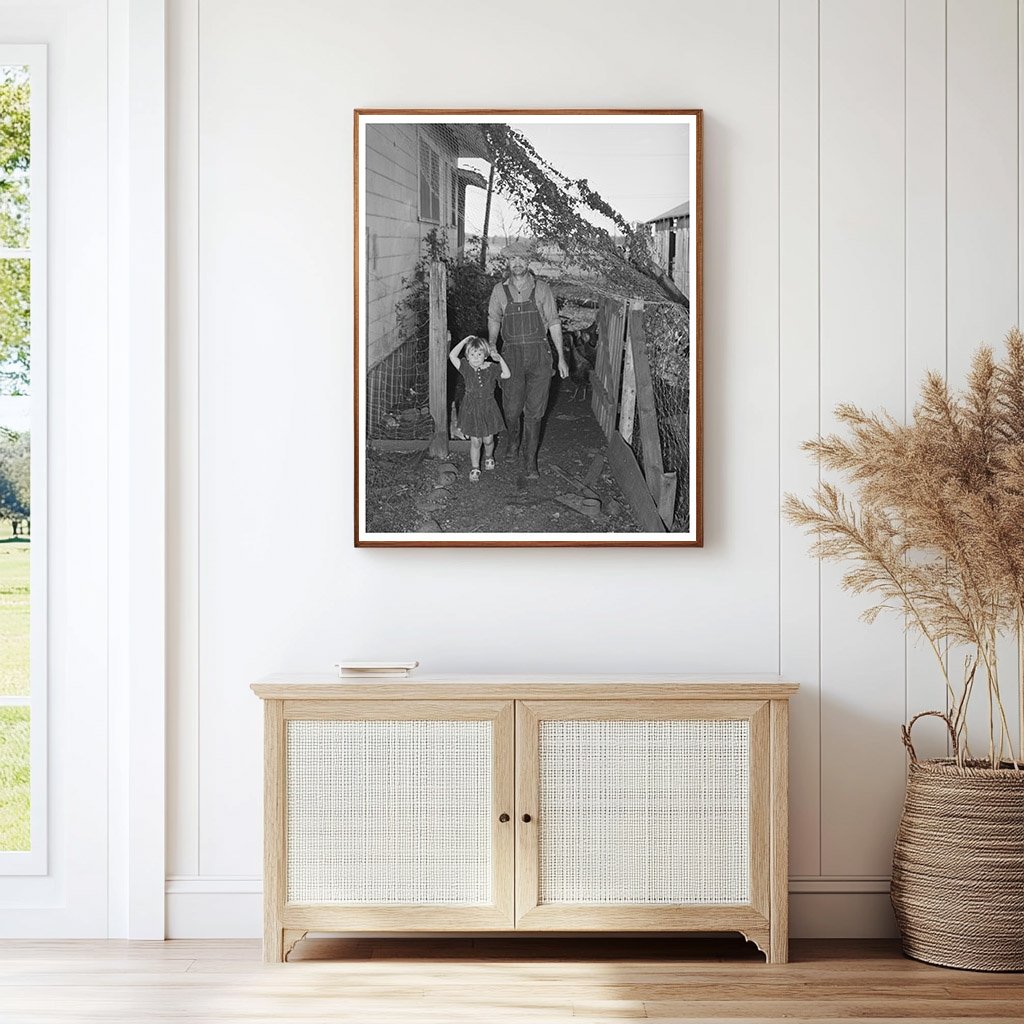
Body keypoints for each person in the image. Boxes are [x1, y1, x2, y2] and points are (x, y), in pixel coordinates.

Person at [488, 241, 568, 478]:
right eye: (513, 259)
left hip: (539, 355)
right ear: (508, 262)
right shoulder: (499, 290)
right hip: (510, 355)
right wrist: (492, 343)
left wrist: (561, 357)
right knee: (511, 410)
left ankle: (530, 460)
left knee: (535, 412)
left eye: (522, 259)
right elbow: (494, 318)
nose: (518, 263)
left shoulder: (542, 289)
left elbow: (553, 322)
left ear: (528, 262)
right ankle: (514, 442)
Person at [448, 335, 510, 482]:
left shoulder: (491, 368)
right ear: (468, 357)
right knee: (476, 441)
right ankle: (475, 467)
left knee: (488, 440)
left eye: (479, 354)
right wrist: (464, 341)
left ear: (485, 355)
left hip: (488, 407)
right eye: (472, 354)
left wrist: (499, 358)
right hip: (472, 408)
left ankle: (489, 456)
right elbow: (452, 355)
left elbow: (507, 374)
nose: (476, 358)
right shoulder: (466, 368)